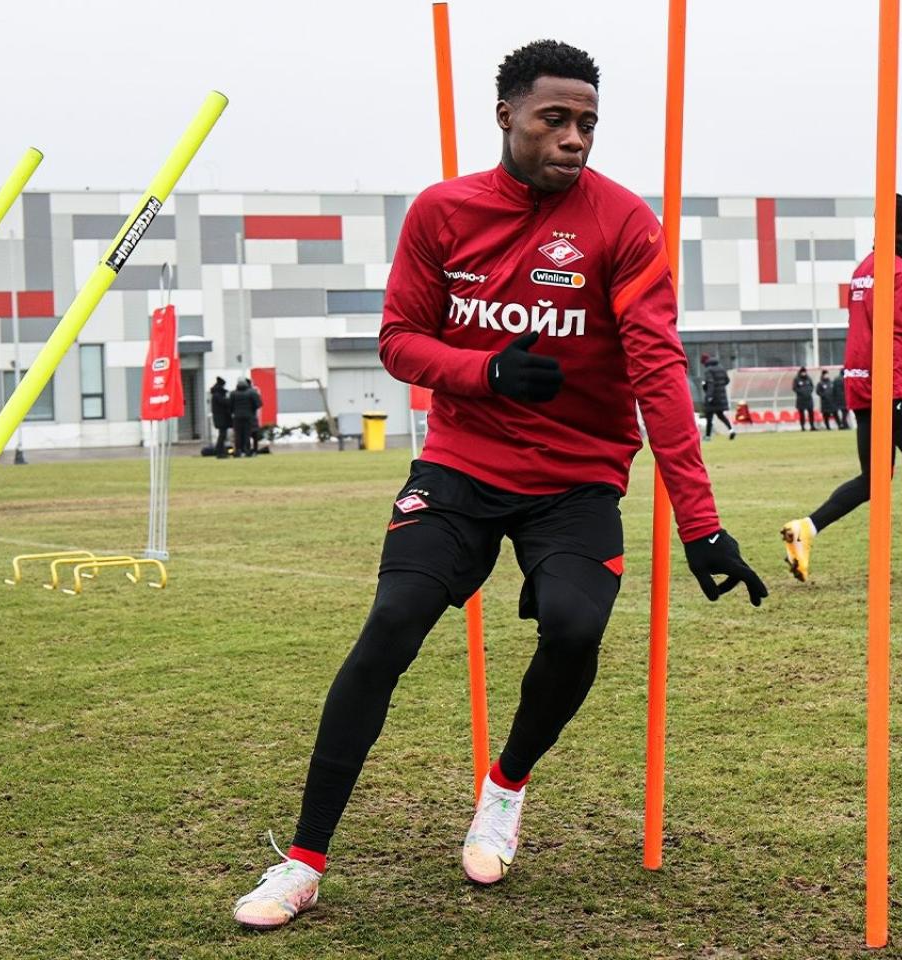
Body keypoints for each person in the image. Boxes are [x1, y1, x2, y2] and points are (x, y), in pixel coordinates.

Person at [232, 40, 767, 932]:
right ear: (507, 116)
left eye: (587, 123)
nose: (573, 138)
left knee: (574, 624)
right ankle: (303, 859)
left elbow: (660, 372)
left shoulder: (625, 224)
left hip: (577, 479)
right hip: (460, 467)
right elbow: (399, 339)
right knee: (391, 625)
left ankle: (506, 786)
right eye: (554, 118)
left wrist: (701, 526)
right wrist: (483, 372)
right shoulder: (443, 213)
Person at [778, 196, 902, 584]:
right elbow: (895, 338)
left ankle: (807, 528)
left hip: (863, 384)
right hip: (897, 388)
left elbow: (872, 336)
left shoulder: (863, 271)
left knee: (874, 478)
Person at [700, 353, 734, 439]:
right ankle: (731, 430)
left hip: (712, 397)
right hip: (721, 397)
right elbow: (727, 380)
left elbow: (711, 383)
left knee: (709, 417)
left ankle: (707, 436)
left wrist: (708, 394)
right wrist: (720, 386)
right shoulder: (721, 368)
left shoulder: (708, 370)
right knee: (720, 415)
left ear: (704, 362)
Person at [229, 376, 262, 458]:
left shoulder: (233, 393)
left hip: (237, 417)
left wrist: (234, 412)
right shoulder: (251, 393)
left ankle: (238, 451)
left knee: (238, 435)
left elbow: (230, 406)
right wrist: (252, 410)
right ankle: (247, 451)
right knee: (247, 434)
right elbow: (258, 404)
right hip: (248, 416)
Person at [209, 376, 231, 458]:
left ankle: (221, 451)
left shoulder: (216, 394)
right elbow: (224, 403)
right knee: (222, 435)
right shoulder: (218, 395)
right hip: (221, 418)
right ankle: (220, 451)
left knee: (222, 435)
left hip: (220, 418)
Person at [792, 366, 816, 431]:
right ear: (800, 372)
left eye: (804, 372)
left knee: (811, 413)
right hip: (801, 399)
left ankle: (812, 426)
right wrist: (802, 392)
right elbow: (794, 388)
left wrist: (808, 392)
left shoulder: (809, 378)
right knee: (802, 414)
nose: (804, 373)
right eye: (802, 372)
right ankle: (802, 427)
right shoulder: (796, 379)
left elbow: (812, 386)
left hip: (809, 399)